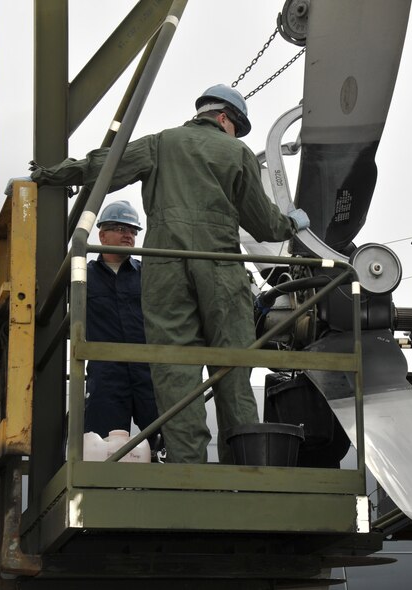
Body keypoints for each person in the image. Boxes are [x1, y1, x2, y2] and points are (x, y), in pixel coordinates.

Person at [27, 84, 310, 464]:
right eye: (236, 127)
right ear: (225, 118)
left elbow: (106, 166)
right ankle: (245, 469)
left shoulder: (160, 143)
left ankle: (187, 469)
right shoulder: (237, 152)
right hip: (222, 272)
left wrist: (57, 174)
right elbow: (263, 224)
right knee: (233, 368)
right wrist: (292, 223)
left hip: (164, 271)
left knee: (176, 372)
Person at [85, 200, 160, 453]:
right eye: (119, 228)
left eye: (132, 230)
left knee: (166, 435)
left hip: (148, 370)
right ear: (102, 235)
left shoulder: (148, 274)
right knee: (103, 445)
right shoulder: (83, 277)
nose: (128, 234)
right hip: (106, 373)